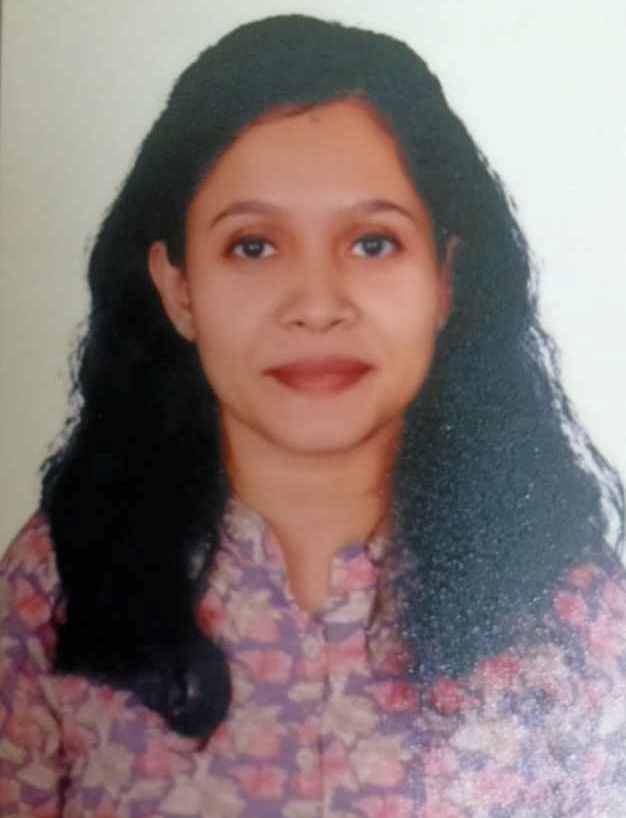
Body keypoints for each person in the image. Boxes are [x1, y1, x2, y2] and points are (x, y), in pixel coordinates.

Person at [1, 13, 624, 818]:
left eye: (372, 243)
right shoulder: (57, 588)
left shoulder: (573, 611)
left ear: (446, 278)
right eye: (253, 246)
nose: (318, 305)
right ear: (178, 288)